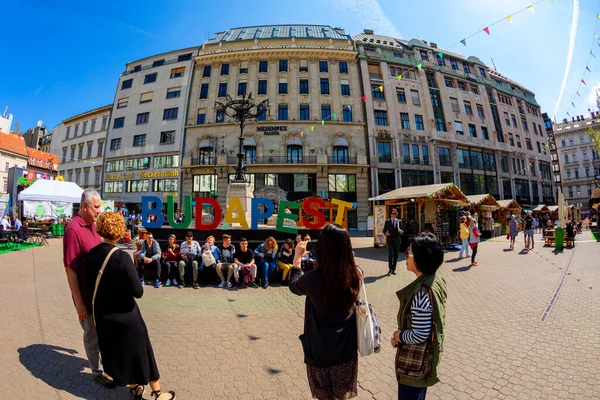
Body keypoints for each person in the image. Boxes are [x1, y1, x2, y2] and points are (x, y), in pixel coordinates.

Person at [86, 212, 175, 400]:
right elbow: (138, 292)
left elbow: (87, 284)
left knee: (120, 353)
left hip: (103, 316)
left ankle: (135, 388)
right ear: (119, 231)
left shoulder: (91, 254)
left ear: (100, 229)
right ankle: (158, 394)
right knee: (142, 352)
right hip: (126, 315)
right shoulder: (121, 257)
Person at [289, 224, 361, 400]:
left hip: (319, 351)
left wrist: (297, 258)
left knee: (324, 396)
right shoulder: (355, 274)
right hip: (346, 348)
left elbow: (294, 286)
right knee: (342, 395)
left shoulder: (314, 279)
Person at [62, 188, 115, 389]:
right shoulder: (73, 230)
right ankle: (96, 372)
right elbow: (70, 270)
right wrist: (79, 304)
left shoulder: (92, 225)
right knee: (91, 334)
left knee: (102, 331)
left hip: (99, 294)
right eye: (96, 207)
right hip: (86, 296)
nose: (99, 210)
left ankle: (107, 365)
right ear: (85, 206)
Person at [391, 232, 447, 400]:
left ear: (420, 259)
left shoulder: (421, 294)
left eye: (410, 251)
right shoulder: (435, 280)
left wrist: (398, 336)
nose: (407, 255)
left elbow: (420, 334)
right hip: (423, 363)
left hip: (414, 366)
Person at [383, 208, 403, 275]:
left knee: (396, 255)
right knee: (391, 254)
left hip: (397, 240)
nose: (393, 215)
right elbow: (384, 230)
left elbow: (402, 231)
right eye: (392, 213)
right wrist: (386, 233)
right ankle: (390, 269)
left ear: (396, 214)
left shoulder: (399, 221)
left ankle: (394, 269)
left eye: (394, 213)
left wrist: (401, 231)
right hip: (390, 240)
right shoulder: (387, 221)